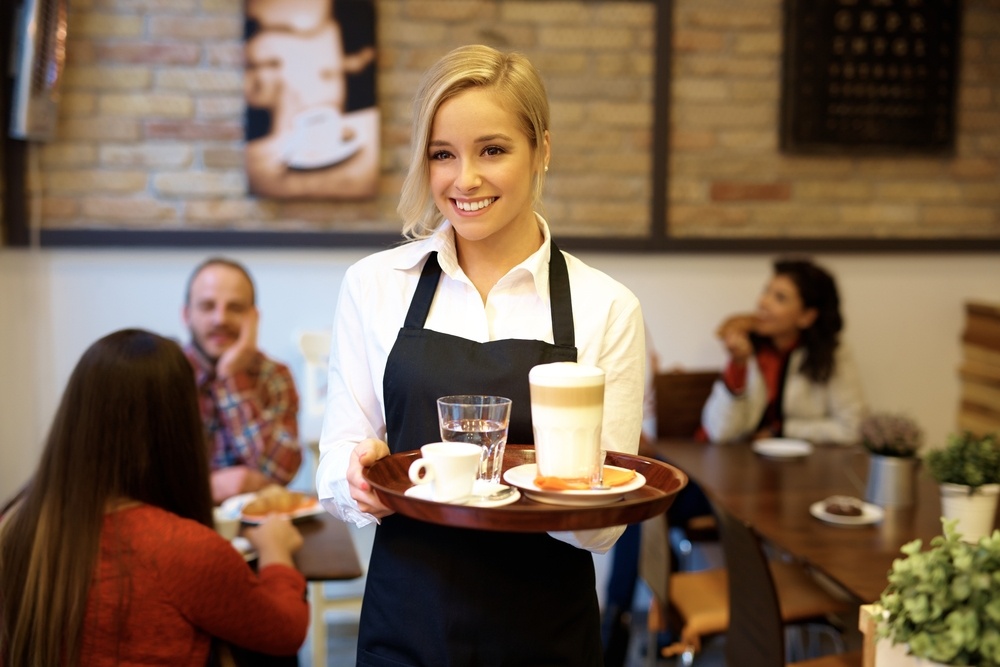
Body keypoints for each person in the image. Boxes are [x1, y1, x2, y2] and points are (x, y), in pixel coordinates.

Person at [315, 44, 646, 666]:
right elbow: (336, 460)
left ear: (542, 149)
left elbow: (604, 530)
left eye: (492, 150)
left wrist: (559, 485)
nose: (463, 179)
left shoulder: (607, 306)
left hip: (544, 633)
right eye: (443, 154)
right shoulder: (375, 286)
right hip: (406, 622)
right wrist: (358, 479)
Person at [0, 329, 308, 666]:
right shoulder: (186, 550)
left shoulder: (12, 525)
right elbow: (285, 631)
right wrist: (277, 554)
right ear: (178, 426)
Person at [701, 257, 866, 444]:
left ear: (806, 316)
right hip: (741, 460)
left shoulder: (832, 353)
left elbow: (853, 428)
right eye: (766, 291)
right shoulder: (747, 347)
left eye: (780, 298)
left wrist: (781, 430)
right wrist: (738, 365)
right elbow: (720, 432)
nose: (763, 302)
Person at [183, 257, 302, 504]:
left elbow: (281, 472)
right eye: (207, 306)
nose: (220, 319)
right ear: (187, 315)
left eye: (235, 308)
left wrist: (231, 377)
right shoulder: (163, 375)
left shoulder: (275, 375)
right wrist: (208, 488)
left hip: (258, 527)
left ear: (253, 318)